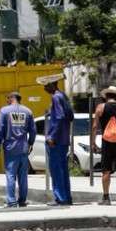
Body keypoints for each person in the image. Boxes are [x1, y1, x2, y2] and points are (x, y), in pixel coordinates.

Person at [0, 91, 36, 207]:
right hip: (23, 148)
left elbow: (0, 130)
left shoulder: (4, 111)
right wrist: (30, 143)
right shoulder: (28, 111)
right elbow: (33, 130)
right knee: (23, 176)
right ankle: (22, 200)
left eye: (7, 99)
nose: (6, 101)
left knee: (10, 174)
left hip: (10, 148)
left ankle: (11, 201)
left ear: (11, 98)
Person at [40, 74, 75, 205]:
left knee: (56, 170)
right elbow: (70, 116)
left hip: (57, 140)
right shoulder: (64, 96)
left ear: (51, 85)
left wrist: (52, 136)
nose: (44, 87)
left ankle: (60, 198)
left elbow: (60, 117)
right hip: (64, 139)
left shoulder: (55, 97)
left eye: (46, 85)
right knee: (63, 170)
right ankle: (67, 197)